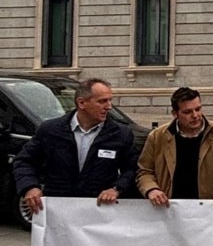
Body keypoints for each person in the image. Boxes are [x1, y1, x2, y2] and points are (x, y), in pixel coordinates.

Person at [13, 77, 137, 214]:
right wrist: (30, 187)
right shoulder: (51, 130)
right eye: (102, 101)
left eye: (109, 100)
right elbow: (24, 161)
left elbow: (132, 169)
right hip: (58, 209)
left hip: (99, 211)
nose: (109, 106)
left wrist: (116, 189)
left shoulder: (121, 134)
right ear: (82, 103)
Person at [136, 86, 213, 207]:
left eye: (198, 109)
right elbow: (145, 171)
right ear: (175, 114)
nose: (195, 115)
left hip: (208, 208)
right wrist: (152, 189)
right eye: (187, 112)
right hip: (168, 208)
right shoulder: (157, 136)